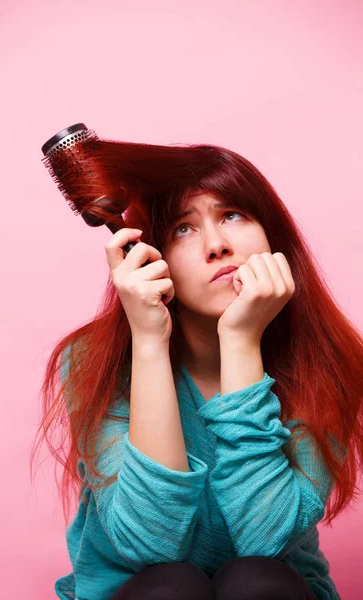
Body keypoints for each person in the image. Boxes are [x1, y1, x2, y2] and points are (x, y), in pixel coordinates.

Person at [31, 142, 362, 600]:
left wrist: (241, 342)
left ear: (273, 235)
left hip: (273, 591)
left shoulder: (328, 362)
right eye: (183, 228)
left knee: (255, 580)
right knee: (168, 587)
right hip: (144, 592)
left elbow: (264, 541)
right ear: (151, 255)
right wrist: (147, 340)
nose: (217, 245)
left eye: (232, 215)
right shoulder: (92, 361)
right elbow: (150, 547)